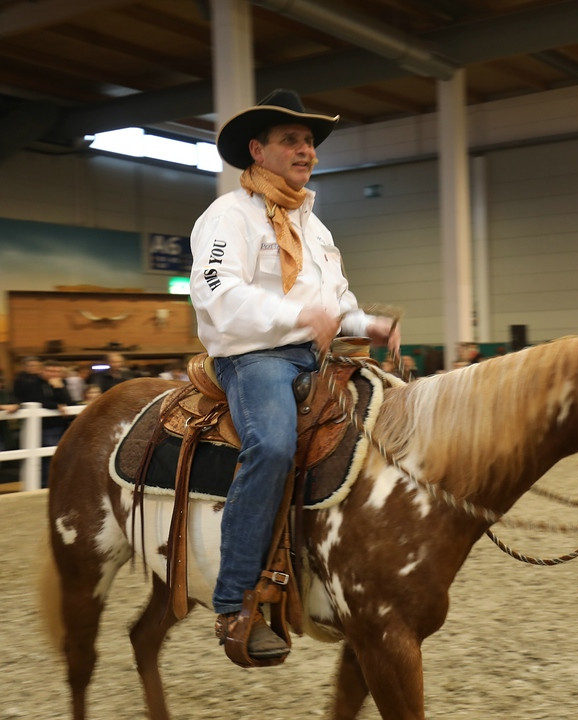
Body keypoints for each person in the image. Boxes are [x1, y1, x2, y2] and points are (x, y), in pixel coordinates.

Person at [189, 89, 401, 662]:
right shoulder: (226, 217)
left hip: (319, 355)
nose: (305, 149)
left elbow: (335, 302)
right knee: (274, 444)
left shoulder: (316, 226)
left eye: (308, 141)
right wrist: (294, 317)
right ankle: (236, 602)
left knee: (395, 421)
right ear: (258, 150)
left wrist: (368, 323)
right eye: (291, 140)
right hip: (255, 357)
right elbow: (216, 293)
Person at [13, 357, 71, 487]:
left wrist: (59, 388)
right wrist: (56, 406)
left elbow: (69, 402)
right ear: (42, 371)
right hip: (43, 427)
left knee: (60, 458)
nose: (54, 374)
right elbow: (35, 401)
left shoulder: (61, 383)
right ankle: (46, 486)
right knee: (47, 460)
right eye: (50, 370)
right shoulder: (32, 383)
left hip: (60, 426)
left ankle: (57, 485)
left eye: (57, 371)